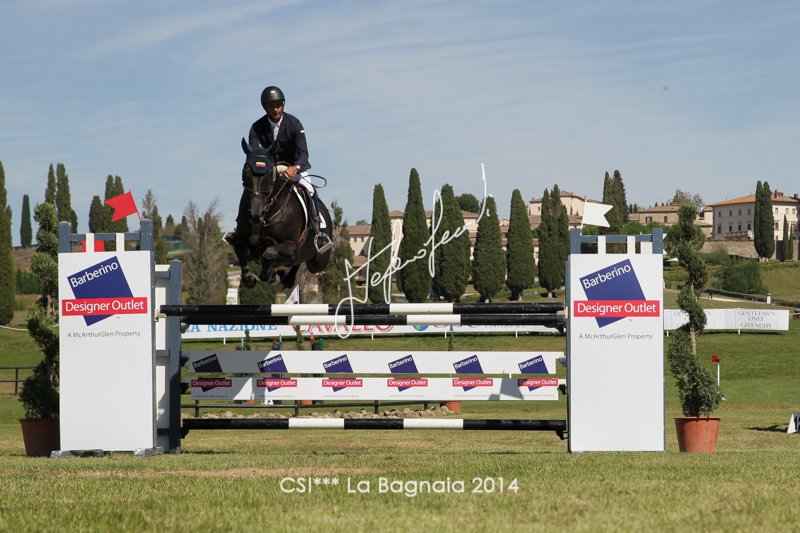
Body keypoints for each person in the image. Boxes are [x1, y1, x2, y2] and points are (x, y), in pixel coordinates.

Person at [226, 86, 332, 253]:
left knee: (309, 189)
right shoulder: (256, 127)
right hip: (272, 170)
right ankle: (239, 229)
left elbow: (303, 153)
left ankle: (318, 231)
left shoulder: (294, 124)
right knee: (252, 189)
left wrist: (295, 167)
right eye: (271, 106)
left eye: (278, 105)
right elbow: (254, 154)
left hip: (294, 167)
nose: (276, 109)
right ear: (265, 107)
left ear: (283, 105)